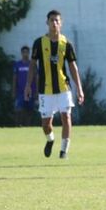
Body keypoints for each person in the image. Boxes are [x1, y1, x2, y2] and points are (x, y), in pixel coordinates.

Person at [25, 10, 84, 159]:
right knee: (46, 124)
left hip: (64, 88)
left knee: (66, 118)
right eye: (52, 20)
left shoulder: (66, 43)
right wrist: (27, 85)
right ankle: (50, 140)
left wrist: (79, 89)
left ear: (61, 23)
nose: (54, 23)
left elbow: (72, 67)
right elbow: (32, 65)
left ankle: (64, 151)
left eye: (57, 20)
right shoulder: (39, 43)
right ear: (47, 22)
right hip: (45, 90)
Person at [12, 46, 36, 126]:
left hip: (30, 91)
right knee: (19, 109)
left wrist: (37, 91)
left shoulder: (32, 64)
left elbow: (37, 77)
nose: (25, 54)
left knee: (29, 110)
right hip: (20, 92)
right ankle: (18, 125)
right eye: (24, 52)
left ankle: (28, 126)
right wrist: (14, 90)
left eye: (27, 52)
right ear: (21, 53)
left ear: (29, 53)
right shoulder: (17, 64)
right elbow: (15, 78)